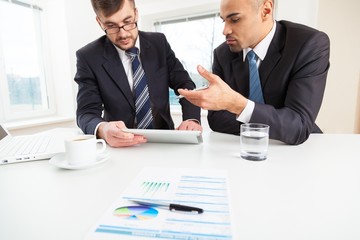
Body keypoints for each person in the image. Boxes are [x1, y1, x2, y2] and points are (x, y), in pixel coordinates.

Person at [178, 0, 330, 145]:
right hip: (241, 149)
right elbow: (217, 120)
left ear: (266, 10)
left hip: (298, 150)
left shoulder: (308, 44)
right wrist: (279, 124)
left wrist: (237, 105)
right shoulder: (223, 54)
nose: (225, 31)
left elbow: (298, 125)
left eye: (235, 19)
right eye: (224, 20)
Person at [75, 0, 202, 147]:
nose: (123, 34)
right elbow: (86, 113)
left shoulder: (159, 43)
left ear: (136, 13)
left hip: (164, 143)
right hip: (121, 147)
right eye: (111, 26)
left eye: (128, 22)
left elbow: (184, 84)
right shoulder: (89, 57)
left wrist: (192, 120)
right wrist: (103, 129)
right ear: (100, 22)